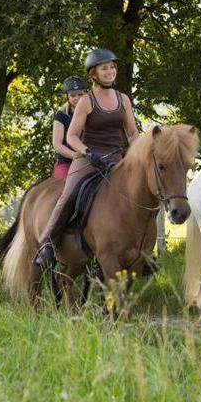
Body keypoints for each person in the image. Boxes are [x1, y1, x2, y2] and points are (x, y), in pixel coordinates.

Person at [33, 48, 140, 268]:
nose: (110, 72)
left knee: (141, 193)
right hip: (88, 159)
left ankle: (142, 252)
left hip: (116, 160)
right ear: (93, 74)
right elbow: (71, 136)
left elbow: (132, 133)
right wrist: (88, 153)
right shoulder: (86, 101)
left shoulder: (124, 99)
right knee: (69, 195)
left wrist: (137, 155)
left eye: (112, 67)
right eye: (104, 68)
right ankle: (47, 246)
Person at [52, 77, 88, 179]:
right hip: (67, 161)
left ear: (85, 94)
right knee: (64, 187)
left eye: (80, 94)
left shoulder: (91, 113)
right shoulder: (61, 115)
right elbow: (57, 144)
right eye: (73, 95)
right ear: (67, 97)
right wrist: (75, 155)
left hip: (90, 160)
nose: (76, 98)